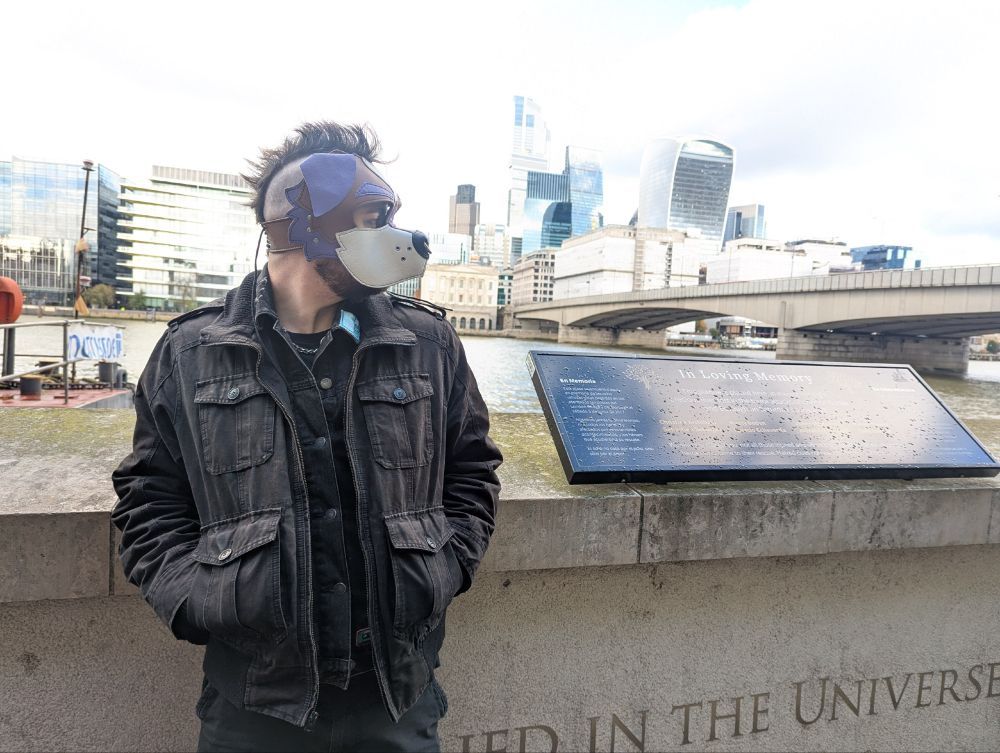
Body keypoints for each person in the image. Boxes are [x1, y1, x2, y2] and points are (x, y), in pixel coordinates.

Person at [111, 121, 502, 752]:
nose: (400, 235)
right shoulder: (190, 353)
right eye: (374, 215)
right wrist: (199, 601)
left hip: (396, 695)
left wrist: (444, 569)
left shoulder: (429, 344)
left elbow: (472, 471)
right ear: (304, 225)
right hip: (254, 705)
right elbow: (149, 497)